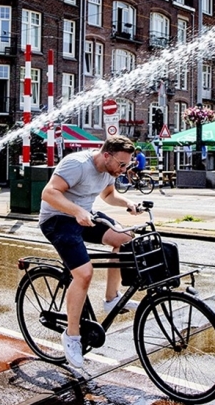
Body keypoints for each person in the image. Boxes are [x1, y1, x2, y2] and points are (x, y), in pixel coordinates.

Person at [39, 135, 141, 368]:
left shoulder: (109, 170)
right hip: (57, 220)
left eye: (127, 165)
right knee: (84, 274)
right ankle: (72, 336)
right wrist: (76, 211)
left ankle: (111, 298)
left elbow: (108, 195)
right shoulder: (77, 164)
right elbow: (49, 193)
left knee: (126, 240)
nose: (123, 170)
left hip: (85, 216)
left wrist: (127, 203)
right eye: (121, 164)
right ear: (106, 155)